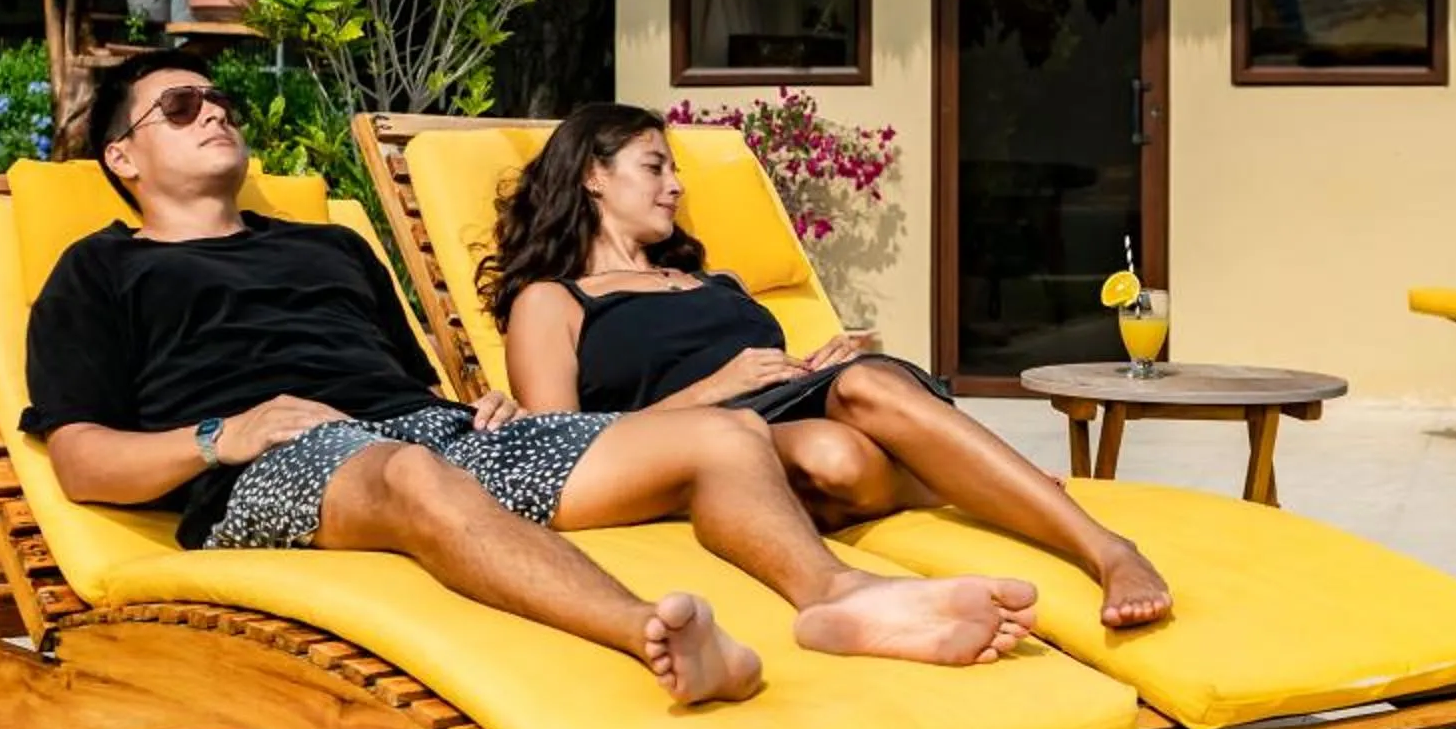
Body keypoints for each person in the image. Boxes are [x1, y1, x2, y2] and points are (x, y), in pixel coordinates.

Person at [21, 52, 1045, 708]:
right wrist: (221, 435)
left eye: (222, 100)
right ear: (122, 155)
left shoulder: (331, 246)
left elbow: (399, 383)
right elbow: (77, 457)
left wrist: (473, 412)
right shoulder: (102, 269)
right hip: (270, 467)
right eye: (182, 105)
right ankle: (651, 637)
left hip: (434, 435)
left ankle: (837, 598)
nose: (216, 115)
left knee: (725, 436)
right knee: (413, 478)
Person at [490, 105, 1173, 629]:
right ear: (592, 175)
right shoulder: (554, 300)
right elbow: (557, 449)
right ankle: (967, 481)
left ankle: (1108, 551)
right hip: (703, 445)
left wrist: (820, 364)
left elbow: (775, 373)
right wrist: (713, 391)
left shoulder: (713, 281)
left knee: (860, 386)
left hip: (792, 406)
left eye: (675, 170)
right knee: (834, 453)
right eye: (654, 167)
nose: (675, 186)